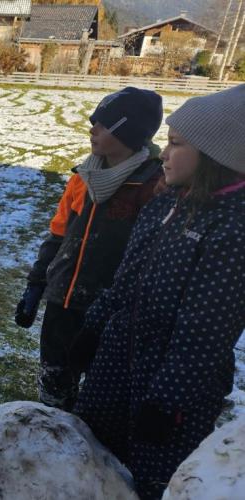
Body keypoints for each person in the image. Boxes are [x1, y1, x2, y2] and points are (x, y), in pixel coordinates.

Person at [70, 84, 245, 500]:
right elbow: (125, 280)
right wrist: (92, 331)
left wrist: (166, 403)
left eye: (176, 144)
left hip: (168, 392)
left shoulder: (232, 231)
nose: (163, 154)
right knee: (92, 472)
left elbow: (205, 332)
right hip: (115, 366)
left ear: (217, 155)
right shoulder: (165, 204)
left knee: (149, 485)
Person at [14, 87, 164, 411]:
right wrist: (36, 283)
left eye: (103, 124)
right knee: (54, 379)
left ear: (128, 131)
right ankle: (53, 425)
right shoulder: (82, 178)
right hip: (63, 301)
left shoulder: (153, 188)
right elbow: (57, 235)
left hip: (109, 312)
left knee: (99, 392)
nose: (92, 129)